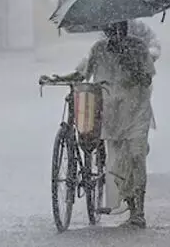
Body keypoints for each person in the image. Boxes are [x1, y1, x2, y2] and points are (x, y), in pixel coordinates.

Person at [47, 20, 155, 227]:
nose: (116, 33)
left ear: (125, 28)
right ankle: (131, 204)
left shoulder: (138, 47)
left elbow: (147, 78)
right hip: (112, 113)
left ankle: (138, 211)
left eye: (119, 29)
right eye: (111, 30)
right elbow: (82, 73)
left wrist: (131, 65)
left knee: (136, 156)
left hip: (137, 110)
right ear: (105, 31)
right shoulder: (99, 49)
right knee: (117, 164)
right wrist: (59, 78)